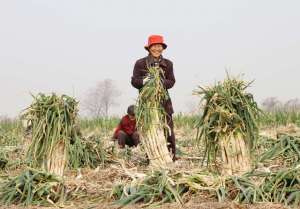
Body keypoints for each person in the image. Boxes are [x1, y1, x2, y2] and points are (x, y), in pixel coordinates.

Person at [131, 35, 177, 161]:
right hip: (148, 104)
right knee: (150, 130)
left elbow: (172, 81)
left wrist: (159, 81)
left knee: (168, 130)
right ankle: (152, 157)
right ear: (149, 48)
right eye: (154, 46)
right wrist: (145, 81)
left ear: (163, 48)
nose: (157, 49)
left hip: (164, 103)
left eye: (160, 46)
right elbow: (134, 81)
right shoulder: (140, 63)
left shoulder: (168, 64)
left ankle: (171, 157)